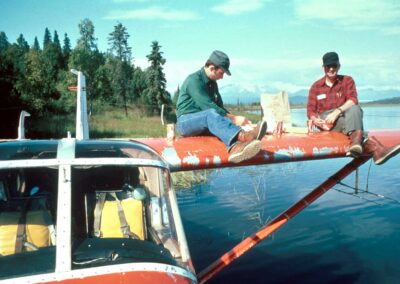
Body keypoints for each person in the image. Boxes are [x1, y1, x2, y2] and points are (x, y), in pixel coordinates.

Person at [307, 51, 400, 165]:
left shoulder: (347, 80)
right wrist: (316, 120)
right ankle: (375, 148)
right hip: (326, 121)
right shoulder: (316, 86)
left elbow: (353, 100)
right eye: (328, 66)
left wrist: (337, 111)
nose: (331, 69)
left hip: (346, 116)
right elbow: (311, 110)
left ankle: (355, 144)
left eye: (334, 66)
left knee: (355, 108)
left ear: (339, 66)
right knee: (352, 121)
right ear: (323, 67)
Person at [176, 50, 267, 163]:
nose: (222, 77)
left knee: (215, 117)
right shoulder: (193, 80)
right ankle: (244, 137)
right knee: (209, 114)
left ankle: (235, 149)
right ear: (212, 68)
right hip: (185, 122)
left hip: (204, 122)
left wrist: (235, 120)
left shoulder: (213, 84)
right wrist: (234, 119)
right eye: (221, 72)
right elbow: (207, 106)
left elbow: (220, 108)